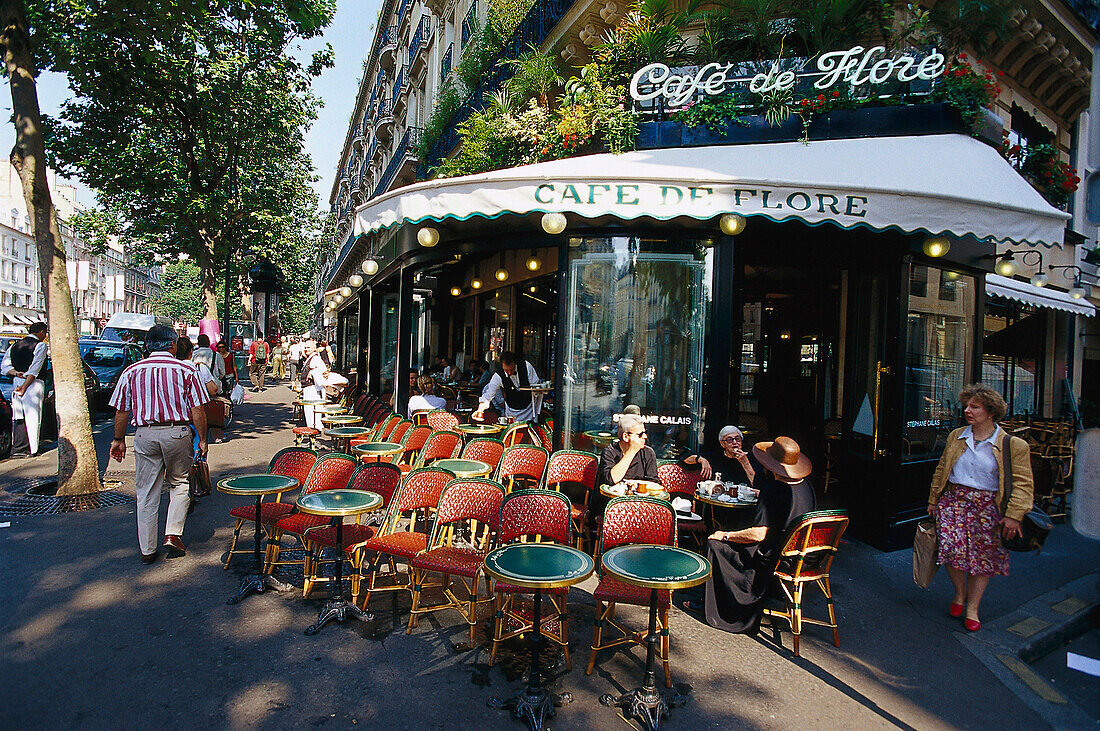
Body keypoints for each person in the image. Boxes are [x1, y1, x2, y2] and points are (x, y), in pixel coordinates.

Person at [928, 384, 1033, 632]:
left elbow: (1023, 484)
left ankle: (972, 607)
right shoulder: (957, 436)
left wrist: (1014, 516)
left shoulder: (1013, 444)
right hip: (954, 499)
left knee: (982, 559)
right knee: (950, 551)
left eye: (974, 407)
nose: (967, 410)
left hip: (988, 506)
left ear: (991, 412)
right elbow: (943, 469)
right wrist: (933, 499)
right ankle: (959, 593)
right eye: (967, 406)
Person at [109, 325, 209, 564]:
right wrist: (203, 440)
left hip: (144, 434)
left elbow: (122, 410)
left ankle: (147, 549)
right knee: (180, 483)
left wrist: (119, 439)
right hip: (177, 432)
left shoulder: (132, 371)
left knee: (146, 492)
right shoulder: (187, 370)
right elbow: (198, 410)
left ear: (147, 345)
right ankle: (173, 533)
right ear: (173, 345)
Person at [696, 436, 816, 632]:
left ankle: (712, 604)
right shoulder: (805, 486)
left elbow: (758, 535)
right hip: (802, 555)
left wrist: (724, 535)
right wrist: (746, 464)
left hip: (775, 556)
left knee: (714, 544)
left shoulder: (775, 490)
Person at [1, 322, 48, 456]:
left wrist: (17, 374)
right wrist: (25, 386)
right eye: (44, 333)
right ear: (41, 332)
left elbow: (5, 367)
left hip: (17, 381)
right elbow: (35, 369)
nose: (44, 336)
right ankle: (32, 449)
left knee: (18, 415)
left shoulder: (14, 346)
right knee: (33, 415)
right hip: (33, 384)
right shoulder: (40, 346)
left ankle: (19, 446)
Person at [473, 351, 542, 423]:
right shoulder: (498, 376)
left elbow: (536, 384)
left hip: (529, 409)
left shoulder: (526, 366)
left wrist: (538, 391)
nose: (509, 373)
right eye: (506, 370)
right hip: (511, 411)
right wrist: (480, 410)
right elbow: (488, 395)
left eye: (511, 370)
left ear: (515, 364)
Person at [598, 413, 659, 487]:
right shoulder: (609, 452)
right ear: (626, 437)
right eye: (640, 434)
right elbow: (611, 480)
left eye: (645, 432)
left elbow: (653, 482)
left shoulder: (648, 453)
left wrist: (634, 484)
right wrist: (631, 451)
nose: (645, 436)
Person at [680, 425, 756, 484]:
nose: (735, 442)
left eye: (737, 439)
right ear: (722, 444)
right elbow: (685, 457)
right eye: (729, 440)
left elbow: (758, 484)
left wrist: (745, 463)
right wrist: (701, 459)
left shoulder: (752, 457)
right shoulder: (714, 457)